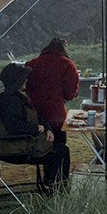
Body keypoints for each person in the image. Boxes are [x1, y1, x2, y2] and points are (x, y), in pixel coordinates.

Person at [0, 62, 67, 190]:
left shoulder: (15, 97)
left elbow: (35, 116)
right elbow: (13, 126)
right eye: (23, 78)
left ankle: (51, 183)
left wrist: (47, 128)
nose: (26, 80)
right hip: (17, 149)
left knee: (58, 148)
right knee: (61, 152)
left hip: (22, 143)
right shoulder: (12, 102)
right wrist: (35, 129)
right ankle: (59, 188)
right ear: (17, 81)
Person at [25, 36, 79, 185]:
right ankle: (57, 181)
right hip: (55, 115)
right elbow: (70, 93)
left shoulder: (31, 64)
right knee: (58, 146)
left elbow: (24, 87)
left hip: (34, 114)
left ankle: (47, 177)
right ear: (64, 49)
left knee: (42, 147)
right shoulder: (67, 65)